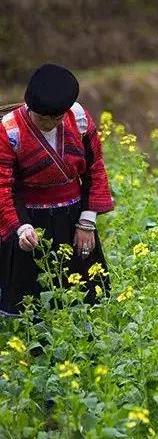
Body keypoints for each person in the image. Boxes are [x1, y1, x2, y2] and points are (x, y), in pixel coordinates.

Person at [0, 63, 113, 318]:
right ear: (29, 107)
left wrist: (87, 223)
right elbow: (2, 185)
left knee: (84, 299)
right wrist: (21, 229)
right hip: (27, 220)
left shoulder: (79, 118)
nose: (51, 123)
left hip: (73, 219)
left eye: (57, 118)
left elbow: (95, 168)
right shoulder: (10, 130)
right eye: (43, 119)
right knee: (30, 305)